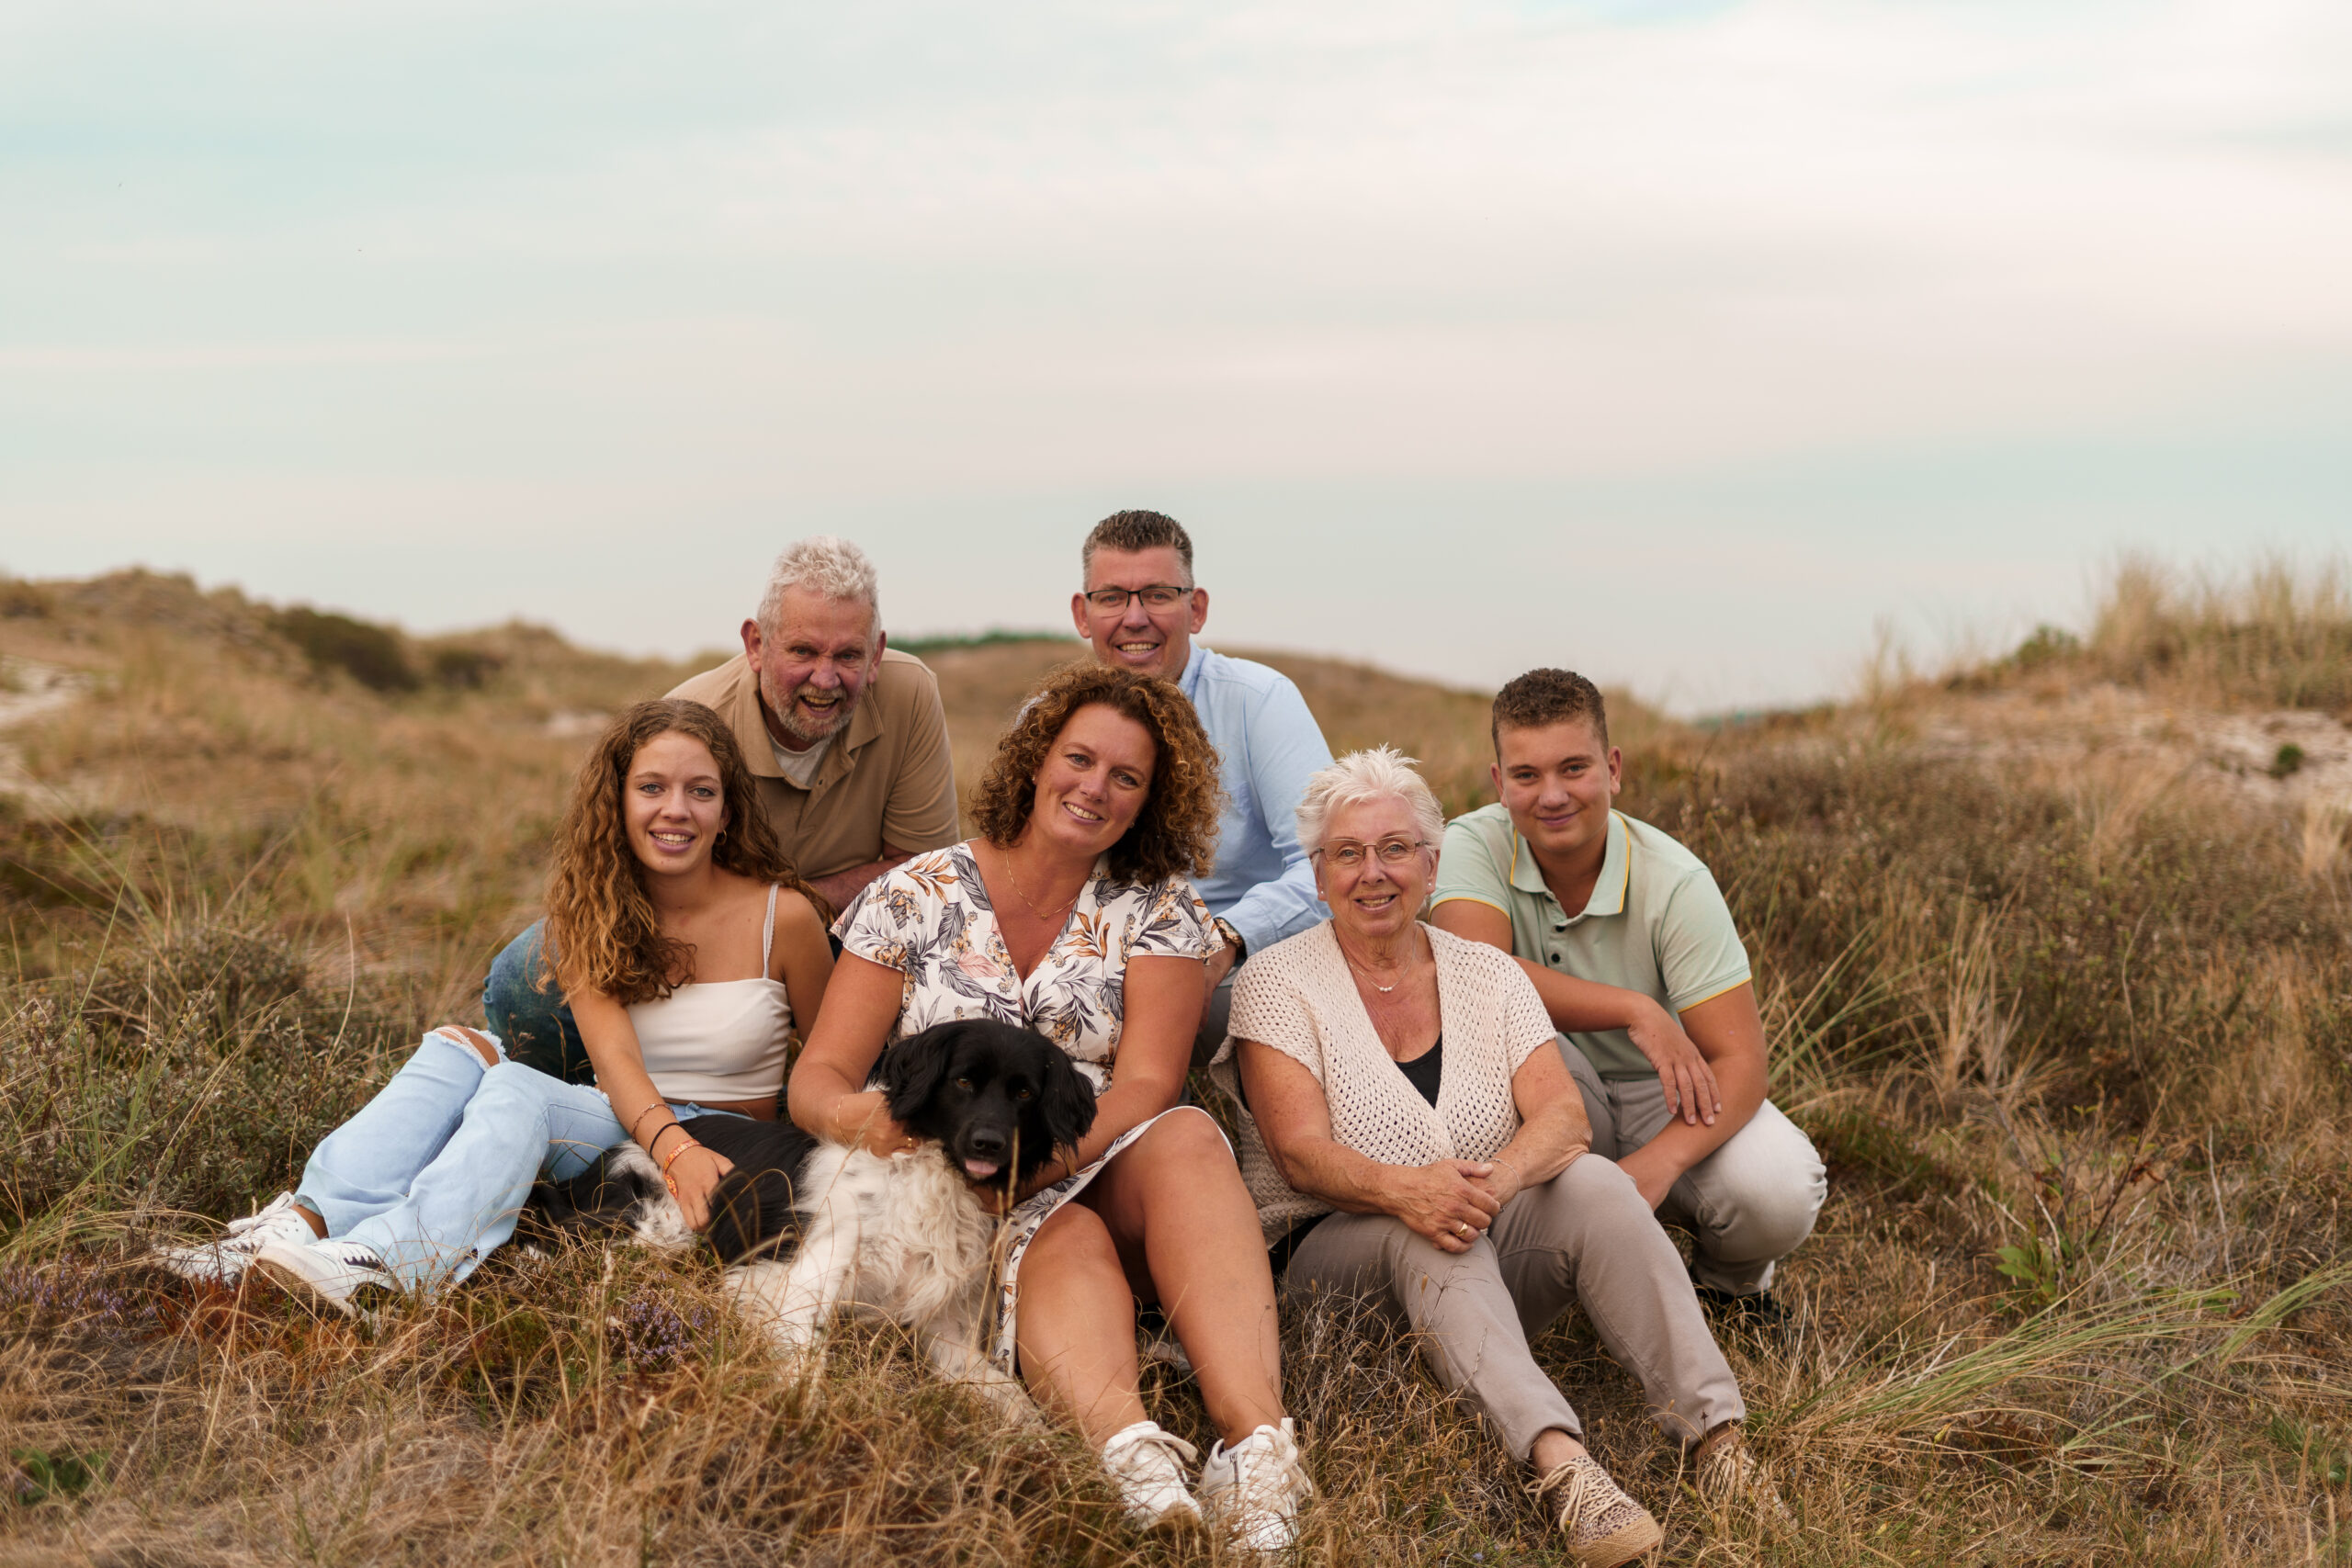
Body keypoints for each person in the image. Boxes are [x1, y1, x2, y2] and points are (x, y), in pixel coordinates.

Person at [784, 663, 1313, 1552]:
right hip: (951, 1178)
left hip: (1100, 1150)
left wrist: (1049, 1164)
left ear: (1149, 801)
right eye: (1079, 759)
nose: (1093, 788)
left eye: (1126, 778)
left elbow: (1148, 1081)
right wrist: (873, 1127)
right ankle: (1134, 1459)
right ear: (1035, 762)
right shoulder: (918, 894)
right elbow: (820, 1075)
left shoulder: (1159, 908)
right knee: (1059, 1230)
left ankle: (1254, 1452)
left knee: (1183, 1135)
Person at [1210, 747, 1774, 1568]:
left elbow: (1564, 1115)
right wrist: (1413, 1193)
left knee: (1592, 1180)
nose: (1374, 872)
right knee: (1423, 1229)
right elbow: (1302, 1157)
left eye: (1396, 848)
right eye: (1348, 853)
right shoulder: (1275, 981)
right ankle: (1567, 1471)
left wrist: (1497, 1179)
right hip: (1332, 1269)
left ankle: (1717, 1436)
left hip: (1478, 1237)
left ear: (1432, 863)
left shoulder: (1487, 974)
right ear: (1318, 871)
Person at [154, 699, 834, 1310]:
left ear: (728, 808)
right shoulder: (590, 913)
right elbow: (617, 1062)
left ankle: (394, 1262)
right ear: (618, 801)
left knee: (516, 1085)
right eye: (651, 787)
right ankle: (300, 1226)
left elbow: (832, 1061)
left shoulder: (786, 918)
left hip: (724, 1145)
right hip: (627, 1123)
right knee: (456, 1046)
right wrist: (668, 1143)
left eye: (701, 791)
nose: (675, 809)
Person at [1429, 669, 1826, 1325]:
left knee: (1777, 1188)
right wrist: (1635, 1008)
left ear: (1613, 769)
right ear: (1500, 784)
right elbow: (1477, 972)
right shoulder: (1471, 841)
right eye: (1526, 775)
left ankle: (1731, 1288)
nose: (1552, 795)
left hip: (1658, 1089)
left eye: (1574, 768)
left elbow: (1741, 1063)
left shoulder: (1677, 882)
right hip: (1529, 1083)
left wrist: (1655, 1164)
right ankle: (1531, 1284)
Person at [486, 536, 956, 1082]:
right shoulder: (689, 720)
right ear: (756, 645)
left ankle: (850, 1094)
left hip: (852, 926)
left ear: (875, 655)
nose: (826, 680)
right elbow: (628, 875)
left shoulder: (912, 691)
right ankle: (588, 1092)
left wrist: (796, 913)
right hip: (690, 923)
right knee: (521, 979)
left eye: (848, 655)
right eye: (803, 651)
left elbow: (923, 872)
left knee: (941, 971)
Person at [1070, 510, 1334, 1064]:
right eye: (1113, 596)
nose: (1135, 618)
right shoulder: (1049, 721)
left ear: (1197, 609)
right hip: (1087, 964)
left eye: (1159, 595)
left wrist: (1225, 940)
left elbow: (1327, 864)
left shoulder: (1258, 702)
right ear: (1083, 613)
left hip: (1236, 968)